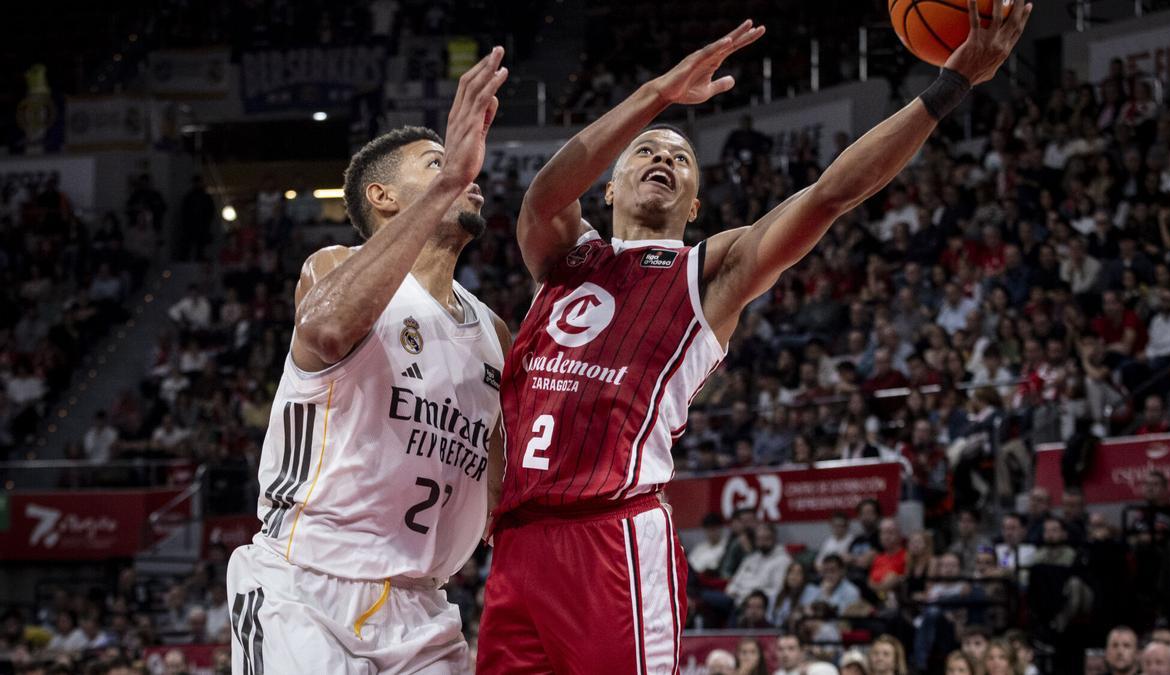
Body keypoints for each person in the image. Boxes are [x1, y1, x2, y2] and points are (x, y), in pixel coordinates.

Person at [477, 8, 1033, 670]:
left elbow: (829, 195)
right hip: (518, 543)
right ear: (610, 185)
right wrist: (659, 92)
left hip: (611, 536)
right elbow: (543, 194)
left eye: (681, 158)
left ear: (693, 205)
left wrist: (950, 86)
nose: (662, 158)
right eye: (646, 151)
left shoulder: (708, 273)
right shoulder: (563, 255)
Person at [224, 49, 510, 674]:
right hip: (305, 585)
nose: (469, 171)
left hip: (424, 605)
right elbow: (326, 329)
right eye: (438, 162)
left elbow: (498, 482)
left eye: (461, 163)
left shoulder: (493, 330)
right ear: (383, 196)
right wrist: (445, 184)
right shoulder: (331, 267)